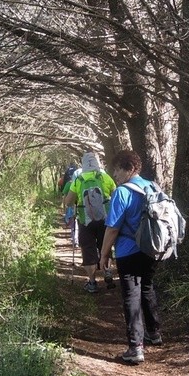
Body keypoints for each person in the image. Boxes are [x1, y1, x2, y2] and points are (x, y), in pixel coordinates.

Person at [99, 150, 162, 364]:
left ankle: (135, 347)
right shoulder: (152, 186)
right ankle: (154, 333)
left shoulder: (122, 192)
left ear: (130, 169)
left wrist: (104, 254)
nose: (115, 174)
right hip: (151, 249)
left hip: (128, 251)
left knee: (131, 296)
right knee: (147, 287)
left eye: (118, 169)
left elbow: (112, 228)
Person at [64, 152, 116, 293]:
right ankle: (107, 272)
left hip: (85, 220)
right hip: (105, 219)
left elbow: (68, 201)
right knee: (105, 245)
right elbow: (115, 193)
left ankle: (92, 283)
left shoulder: (79, 179)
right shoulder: (105, 177)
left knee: (88, 249)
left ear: (83, 164)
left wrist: (74, 201)